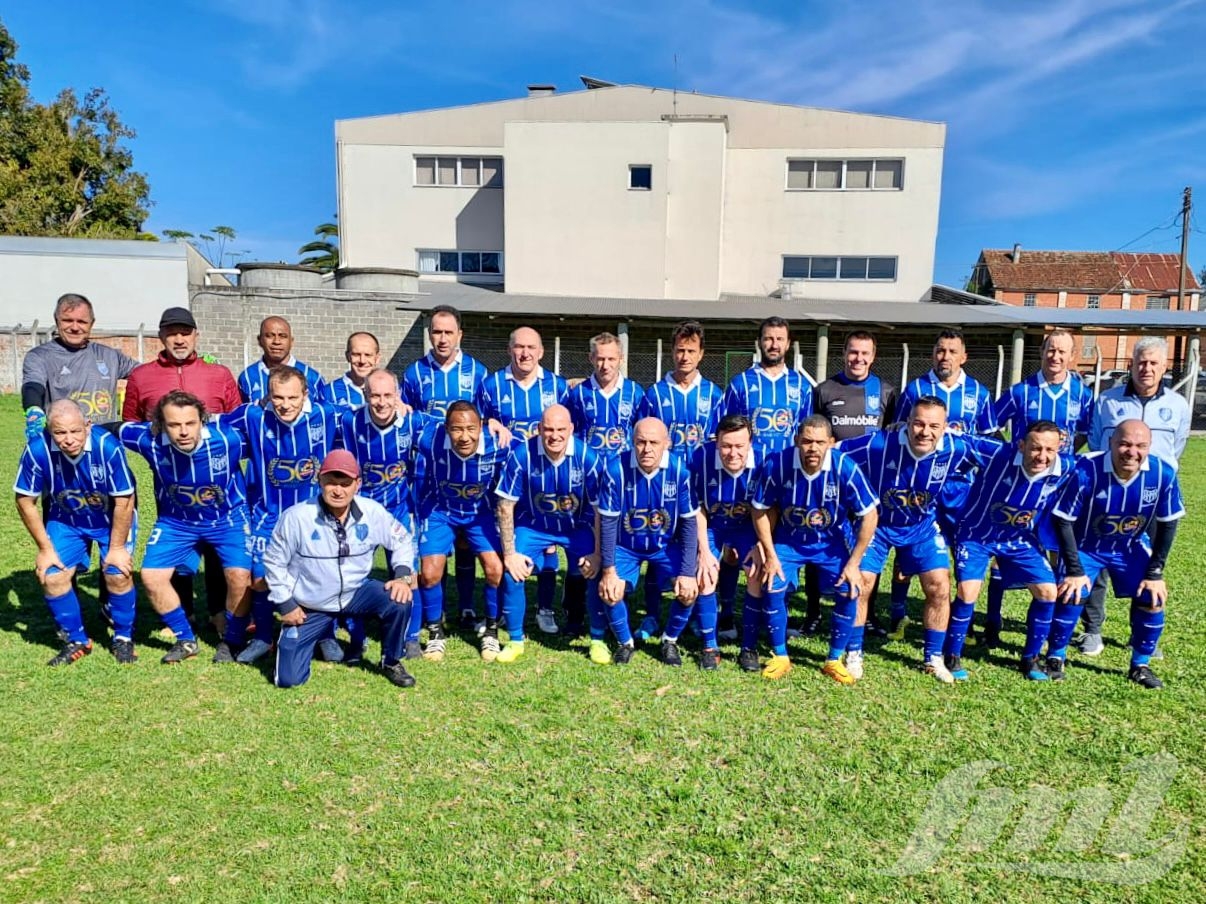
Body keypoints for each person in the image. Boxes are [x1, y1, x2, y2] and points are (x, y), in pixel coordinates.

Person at [840, 396, 979, 683]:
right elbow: (835, 453)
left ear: (945, 428)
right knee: (861, 584)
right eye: (918, 423)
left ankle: (933, 657)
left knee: (940, 586)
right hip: (877, 526)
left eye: (933, 426)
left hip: (921, 526)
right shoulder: (878, 444)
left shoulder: (957, 447)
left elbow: (1000, 454)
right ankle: (854, 652)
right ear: (907, 422)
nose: (925, 432)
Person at [122, 306, 242, 634]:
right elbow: (130, 422)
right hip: (171, 481)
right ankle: (184, 611)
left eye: (185, 332)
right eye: (172, 332)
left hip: (216, 481)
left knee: (220, 548)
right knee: (177, 542)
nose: (179, 338)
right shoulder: (141, 376)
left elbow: (236, 420)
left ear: (196, 335)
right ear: (161, 336)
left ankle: (219, 612)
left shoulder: (218, 374)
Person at [217, 365, 342, 665]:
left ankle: (326, 636)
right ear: (267, 396)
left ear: (305, 395)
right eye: (278, 397)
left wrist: (402, 407)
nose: (285, 405)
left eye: (292, 398)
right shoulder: (252, 415)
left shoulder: (326, 415)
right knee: (260, 578)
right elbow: (212, 423)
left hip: (314, 515)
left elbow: (365, 416)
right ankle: (262, 637)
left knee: (322, 576)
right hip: (267, 514)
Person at [117, 391, 253, 664]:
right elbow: (113, 429)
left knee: (240, 576)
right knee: (152, 577)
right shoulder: (149, 440)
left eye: (190, 423)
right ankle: (185, 639)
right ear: (160, 425)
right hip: (176, 522)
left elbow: (264, 434)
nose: (183, 432)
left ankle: (232, 640)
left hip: (228, 520)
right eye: (174, 425)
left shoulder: (229, 439)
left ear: (202, 420)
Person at [1046, 420, 1183, 689]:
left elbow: (1169, 523)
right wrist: (1074, 570)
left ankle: (1140, 665)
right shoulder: (1086, 470)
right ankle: (1055, 656)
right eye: (1124, 444)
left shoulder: (1162, 473)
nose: (1131, 452)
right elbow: (1063, 520)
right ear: (1111, 443)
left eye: (1140, 446)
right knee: (1072, 592)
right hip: (1087, 545)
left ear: (1149, 447)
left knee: (1153, 597)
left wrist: (1155, 572)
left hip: (1129, 546)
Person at [264, 450, 417, 689]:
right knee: (288, 680)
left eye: (345, 484)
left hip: (355, 593)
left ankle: (391, 660)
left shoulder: (372, 511)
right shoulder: (296, 517)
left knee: (398, 600)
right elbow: (273, 563)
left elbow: (402, 540)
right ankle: (311, 634)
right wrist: (286, 605)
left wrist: (402, 575)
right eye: (331, 482)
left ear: (358, 484)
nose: (338, 490)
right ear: (319, 480)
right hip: (310, 603)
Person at [980, 328, 1093, 646]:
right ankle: (992, 620)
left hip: (1059, 490)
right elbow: (988, 425)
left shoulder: (1083, 395)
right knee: (1004, 551)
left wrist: (1066, 458)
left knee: (1059, 555)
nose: (1055, 357)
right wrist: (1009, 455)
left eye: (1062, 352)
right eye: (1050, 350)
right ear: (1041, 353)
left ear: (1072, 357)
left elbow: (1087, 433)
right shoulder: (1021, 392)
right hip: (1019, 488)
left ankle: (1048, 623)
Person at [1079, 337, 1189, 656]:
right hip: (1108, 495)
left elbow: (1176, 448)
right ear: (1131, 364)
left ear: (1165, 367)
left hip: (1152, 499)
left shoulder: (1178, 406)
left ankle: (1139, 634)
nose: (1147, 369)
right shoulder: (1108, 401)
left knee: (1148, 562)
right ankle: (1093, 631)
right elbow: (1097, 443)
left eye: (1154, 363)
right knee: (1096, 561)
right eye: (1141, 362)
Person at [750, 416, 878, 683]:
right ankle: (781, 655)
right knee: (772, 584)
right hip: (789, 539)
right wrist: (770, 554)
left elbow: (870, 515)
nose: (813, 448)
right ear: (797, 441)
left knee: (849, 588)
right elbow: (759, 510)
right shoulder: (777, 463)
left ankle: (833, 659)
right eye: (807, 441)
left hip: (831, 542)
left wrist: (853, 564)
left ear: (831, 443)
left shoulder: (845, 467)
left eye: (820, 442)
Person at [401, 305, 505, 631]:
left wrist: (495, 424)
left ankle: (468, 608)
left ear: (460, 334)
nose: (442, 338)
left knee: (465, 545)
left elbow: (486, 416)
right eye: (436, 332)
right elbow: (409, 416)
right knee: (436, 551)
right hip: (433, 472)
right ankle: (438, 614)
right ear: (429, 334)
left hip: (470, 468)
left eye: (449, 332)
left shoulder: (477, 373)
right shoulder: (414, 373)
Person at [889, 329, 997, 639]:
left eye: (952, 351)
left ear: (964, 357)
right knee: (909, 548)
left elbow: (987, 443)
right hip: (920, 486)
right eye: (940, 350)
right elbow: (899, 430)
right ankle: (898, 613)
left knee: (964, 551)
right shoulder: (915, 389)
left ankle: (961, 617)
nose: (945, 356)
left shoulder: (979, 393)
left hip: (962, 489)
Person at [946, 421, 1072, 682]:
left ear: (1059, 447)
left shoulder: (1067, 467)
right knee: (968, 591)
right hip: (976, 535)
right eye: (1036, 448)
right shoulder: (997, 453)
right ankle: (952, 654)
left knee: (1048, 592)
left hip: (1018, 538)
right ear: (1022, 445)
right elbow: (960, 438)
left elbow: (1098, 464)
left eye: (1050, 450)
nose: (1043, 456)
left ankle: (1030, 659)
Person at [14, 400, 138, 665]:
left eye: (75, 431)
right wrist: (45, 549)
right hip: (66, 519)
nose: (68, 439)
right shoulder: (37, 450)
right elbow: (25, 500)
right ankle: (77, 640)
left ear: (88, 426)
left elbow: (125, 500)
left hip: (109, 519)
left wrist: (116, 549)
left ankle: (123, 638)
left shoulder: (108, 447)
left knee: (117, 573)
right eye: (60, 433)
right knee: (52, 575)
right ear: (49, 431)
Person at [495, 405, 606, 663]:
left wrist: (599, 553)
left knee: (597, 570)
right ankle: (515, 640)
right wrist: (509, 553)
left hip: (576, 528)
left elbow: (602, 510)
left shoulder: (588, 457)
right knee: (513, 570)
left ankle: (598, 640)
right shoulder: (522, 454)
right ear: (539, 430)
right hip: (534, 526)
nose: (554, 436)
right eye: (548, 429)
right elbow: (505, 505)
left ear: (571, 430)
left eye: (560, 430)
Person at [478, 327, 569, 635]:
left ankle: (545, 608)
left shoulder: (557, 387)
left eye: (531, 347)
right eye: (519, 347)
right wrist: (485, 421)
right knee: (506, 545)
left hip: (544, 483)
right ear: (509, 350)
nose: (525, 353)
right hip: (504, 483)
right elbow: (474, 421)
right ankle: (504, 611)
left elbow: (571, 428)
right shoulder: (491, 385)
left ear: (541, 352)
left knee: (547, 548)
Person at [810, 330, 897, 638]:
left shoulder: (886, 392)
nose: (858, 359)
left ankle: (868, 613)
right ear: (843, 353)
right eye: (853, 352)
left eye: (865, 353)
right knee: (818, 542)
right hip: (831, 485)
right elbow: (815, 435)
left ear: (873, 357)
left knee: (868, 550)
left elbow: (891, 441)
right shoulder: (824, 390)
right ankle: (813, 613)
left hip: (869, 489)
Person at [591, 418, 698, 666]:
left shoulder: (680, 470)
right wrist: (608, 571)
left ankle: (669, 640)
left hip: (665, 546)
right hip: (626, 546)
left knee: (689, 590)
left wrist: (687, 572)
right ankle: (625, 643)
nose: (647, 449)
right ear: (632, 442)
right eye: (640, 442)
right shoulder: (615, 469)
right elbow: (607, 523)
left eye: (653, 442)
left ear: (667, 444)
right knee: (610, 590)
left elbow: (689, 523)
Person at [339, 369, 430, 659]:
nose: (381, 402)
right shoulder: (348, 421)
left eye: (387, 395)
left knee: (406, 572)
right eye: (374, 395)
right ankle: (357, 636)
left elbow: (453, 423)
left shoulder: (413, 421)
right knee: (352, 573)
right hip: (360, 513)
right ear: (364, 396)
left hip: (399, 510)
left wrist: (492, 423)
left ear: (398, 395)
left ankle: (410, 636)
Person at [413, 401, 507, 662]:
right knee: (430, 574)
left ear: (481, 426)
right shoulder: (430, 439)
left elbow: (534, 445)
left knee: (495, 570)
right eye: (456, 429)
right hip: (440, 511)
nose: (464, 437)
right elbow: (408, 421)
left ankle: (491, 631)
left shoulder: (498, 441)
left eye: (471, 429)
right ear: (446, 429)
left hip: (480, 514)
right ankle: (435, 633)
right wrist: (398, 404)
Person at [690, 415, 762, 670]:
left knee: (755, 573)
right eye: (726, 446)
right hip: (713, 524)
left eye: (739, 446)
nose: (732, 453)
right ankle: (710, 646)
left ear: (750, 443)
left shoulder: (765, 460)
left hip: (747, 526)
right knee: (705, 573)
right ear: (716, 442)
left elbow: (768, 510)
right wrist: (703, 550)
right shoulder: (701, 457)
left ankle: (749, 648)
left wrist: (761, 544)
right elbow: (697, 507)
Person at [21, 293, 138, 437]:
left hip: (103, 445)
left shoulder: (110, 356)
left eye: (82, 321)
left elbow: (147, 374)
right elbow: (33, 385)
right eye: (68, 320)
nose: (75, 327)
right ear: (57, 321)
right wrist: (34, 408)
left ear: (92, 323)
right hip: (64, 443)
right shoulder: (40, 356)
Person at [720, 316, 813, 456]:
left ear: (788, 344)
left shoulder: (802, 385)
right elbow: (726, 431)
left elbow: (807, 432)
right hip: (750, 470)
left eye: (780, 339)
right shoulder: (740, 384)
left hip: (787, 468)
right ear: (759, 342)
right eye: (768, 339)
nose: (774, 345)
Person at [238, 316, 327, 403]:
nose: (277, 341)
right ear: (259, 340)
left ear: (291, 341)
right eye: (269, 336)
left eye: (283, 336)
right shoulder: (247, 377)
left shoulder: (313, 378)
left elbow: (324, 414)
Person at [326, 331, 382, 409]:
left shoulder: (392, 391)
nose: (362, 361)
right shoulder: (329, 392)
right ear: (347, 356)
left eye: (368, 355)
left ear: (377, 358)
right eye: (356, 354)